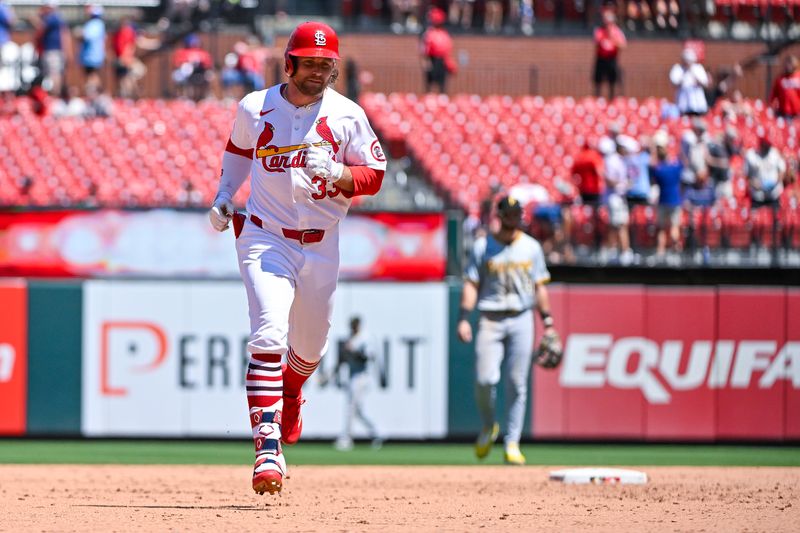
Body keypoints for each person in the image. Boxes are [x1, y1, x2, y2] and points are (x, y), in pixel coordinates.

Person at [207, 21, 386, 496]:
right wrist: (226, 193)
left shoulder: (348, 115)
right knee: (268, 331)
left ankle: (292, 389)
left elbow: (375, 175)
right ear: (289, 63)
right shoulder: (256, 105)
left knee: (309, 350)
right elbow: (238, 150)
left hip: (322, 240)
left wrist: (342, 172)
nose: (317, 73)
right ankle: (267, 448)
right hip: (266, 236)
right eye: (309, 63)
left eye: (326, 65)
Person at [456, 195, 556, 466]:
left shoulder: (531, 248)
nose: (514, 218)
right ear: (500, 215)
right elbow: (471, 284)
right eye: (509, 213)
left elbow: (540, 287)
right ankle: (489, 426)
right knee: (485, 379)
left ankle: (512, 442)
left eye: (517, 213)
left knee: (516, 383)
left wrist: (547, 323)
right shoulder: (482, 246)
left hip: (522, 317)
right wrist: (464, 318)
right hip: (490, 317)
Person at [332, 316, 382, 451]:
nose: (353, 327)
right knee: (357, 410)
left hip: (362, 376)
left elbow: (368, 357)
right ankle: (376, 433)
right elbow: (342, 359)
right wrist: (332, 374)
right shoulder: (350, 338)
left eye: (355, 325)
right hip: (352, 375)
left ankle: (346, 439)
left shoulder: (365, 338)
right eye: (351, 325)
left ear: (359, 325)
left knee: (351, 407)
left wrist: (354, 351)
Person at [649, 131, 683, 259]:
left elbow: (652, 168)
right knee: (674, 227)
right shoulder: (675, 168)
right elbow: (682, 162)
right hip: (675, 201)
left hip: (663, 201)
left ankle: (660, 252)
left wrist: (654, 149)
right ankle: (676, 249)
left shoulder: (659, 170)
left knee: (662, 228)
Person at [30, 0, 72, 97]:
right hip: (50, 51)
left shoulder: (53, 17)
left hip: (53, 51)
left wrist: (34, 19)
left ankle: (54, 96)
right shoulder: (53, 18)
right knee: (51, 74)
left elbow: (41, 28)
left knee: (54, 74)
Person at [592, 7, 626, 100]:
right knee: (598, 81)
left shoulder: (617, 31)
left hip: (612, 58)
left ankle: (612, 98)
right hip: (601, 58)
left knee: (612, 81)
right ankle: (597, 98)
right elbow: (596, 42)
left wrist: (612, 38)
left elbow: (623, 45)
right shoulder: (600, 31)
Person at [420, 7, 456, 94]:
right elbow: (425, 50)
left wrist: (449, 63)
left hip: (442, 61)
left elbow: (448, 49)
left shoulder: (444, 33)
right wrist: (426, 62)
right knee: (430, 86)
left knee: (442, 86)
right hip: (433, 60)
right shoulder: (429, 33)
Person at [669, 47, 709, 116]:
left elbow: (705, 84)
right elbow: (674, 84)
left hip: (698, 105)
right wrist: (685, 73)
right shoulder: (678, 69)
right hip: (683, 105)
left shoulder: (698, 68)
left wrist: (692, 72)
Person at [75, 4, 106, 93]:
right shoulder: (97, 24)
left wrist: (78, 33)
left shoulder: (95, 24)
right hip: (91, 55)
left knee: (92, 76)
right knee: (91, 75)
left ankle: (94, 93)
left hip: (92, 56)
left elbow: (86, 36)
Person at [769, 55, 800, 119]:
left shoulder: (798, 77)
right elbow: (773, 95)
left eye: (791, 64)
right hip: (784, 112)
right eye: (787, 64)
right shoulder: (780, 79)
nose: (789, 66)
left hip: (797, 112)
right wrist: (772, 106)